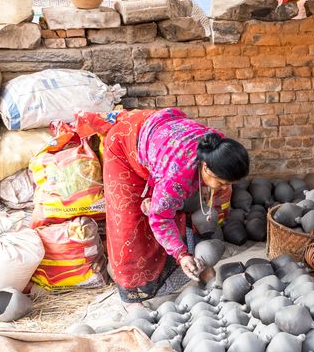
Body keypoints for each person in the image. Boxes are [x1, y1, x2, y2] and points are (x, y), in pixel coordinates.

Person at [95, 108, 250, 305]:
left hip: (161, 136)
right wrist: (181, 254)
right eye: (221, 182)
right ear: (205, 167)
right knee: (129, 225)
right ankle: (133, 295)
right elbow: (160, 218)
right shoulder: (177, 178)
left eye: (230, 183)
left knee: (179, 207)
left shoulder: (217, 147)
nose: (225, 188)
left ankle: (200, 269)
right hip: (125, 147)